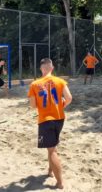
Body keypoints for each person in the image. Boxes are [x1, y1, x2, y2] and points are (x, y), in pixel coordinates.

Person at [27, 58, 72, 189]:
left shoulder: (35, 84)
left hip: (45, 119)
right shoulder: (60, 81)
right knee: (52, 146)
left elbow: (33, 105)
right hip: (59, 118)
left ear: (41, 68)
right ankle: (50, 171)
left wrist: (43, 106)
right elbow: (69, 98)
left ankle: (59, 183)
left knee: (52, 150)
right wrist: (60, 105)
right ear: (52, 68)